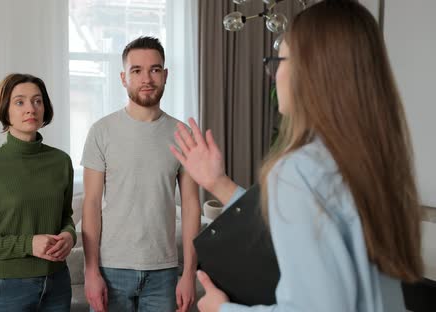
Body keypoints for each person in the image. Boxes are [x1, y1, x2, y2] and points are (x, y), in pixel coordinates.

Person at [170, 1, 423, 311]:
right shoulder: (373, 163)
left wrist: (223, 309)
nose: (274, 74)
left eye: (280, 60)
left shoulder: (298, 170)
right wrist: (217, 182)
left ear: (311, 71)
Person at [81, 36, 201, 312]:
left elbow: (192, 206)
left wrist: (188, 273)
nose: (147, 78)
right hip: (111, 268)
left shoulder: (184, 134)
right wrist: (91, 271)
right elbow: (91, 203)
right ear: (124, 78)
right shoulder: (102, 131)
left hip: (164, 270)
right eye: (137, 70)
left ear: (165, 75)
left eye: (155, 69)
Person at [0, 73, 76, 312]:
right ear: (5, 110)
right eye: (20, 102)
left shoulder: (61, 161)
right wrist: (28, 245)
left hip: (57, 283)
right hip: (6, 287)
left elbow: (65, 216)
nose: (31, 108)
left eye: (37, 101)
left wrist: (69, 235)